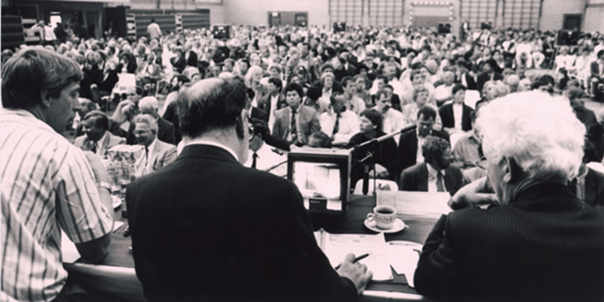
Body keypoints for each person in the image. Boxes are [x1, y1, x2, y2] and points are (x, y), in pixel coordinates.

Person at [126, 77, 372, 301]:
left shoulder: (139, 191)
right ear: (242, 121)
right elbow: (320, 292)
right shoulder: (275, 193)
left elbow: (147, 274)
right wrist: (348, 282)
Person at [416, 91, 604, 301]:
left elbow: (425, 280)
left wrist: (454, 204)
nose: (487, 171)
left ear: (507, 167)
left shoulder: (470, 228)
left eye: (488, 160)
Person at [1, 48, 114, 301]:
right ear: (46, 97)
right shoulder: (58, 150)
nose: (77, 106)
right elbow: (96, 247)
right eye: (73, 95)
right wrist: (102, 181)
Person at [348, 109, 399, 187]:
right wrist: (370, 169)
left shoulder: (387, 140)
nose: (360, 124)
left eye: (365, 121)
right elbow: (352, 162)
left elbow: (394, 163)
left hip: (383, 180)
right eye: (360, 121)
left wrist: (384, 169)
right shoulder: (355, 140)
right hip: (360, 181)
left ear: (375, 125)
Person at [398, 136, 463, 196]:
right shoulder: (410, 176)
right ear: (434, 159)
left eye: (450, 154)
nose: (451, 157)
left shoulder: (455, 172)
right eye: (447, 155)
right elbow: (404, 203)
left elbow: (461, 201)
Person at [397, 106, 450, 176]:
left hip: (435, 171)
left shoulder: (442, 137)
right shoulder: (405, 137)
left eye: (428, 125)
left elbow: (446, 159)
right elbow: (401, 161)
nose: (425, 127)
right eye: (422, 124)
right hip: (412, 173)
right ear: (417, 121)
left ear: (434, 123)